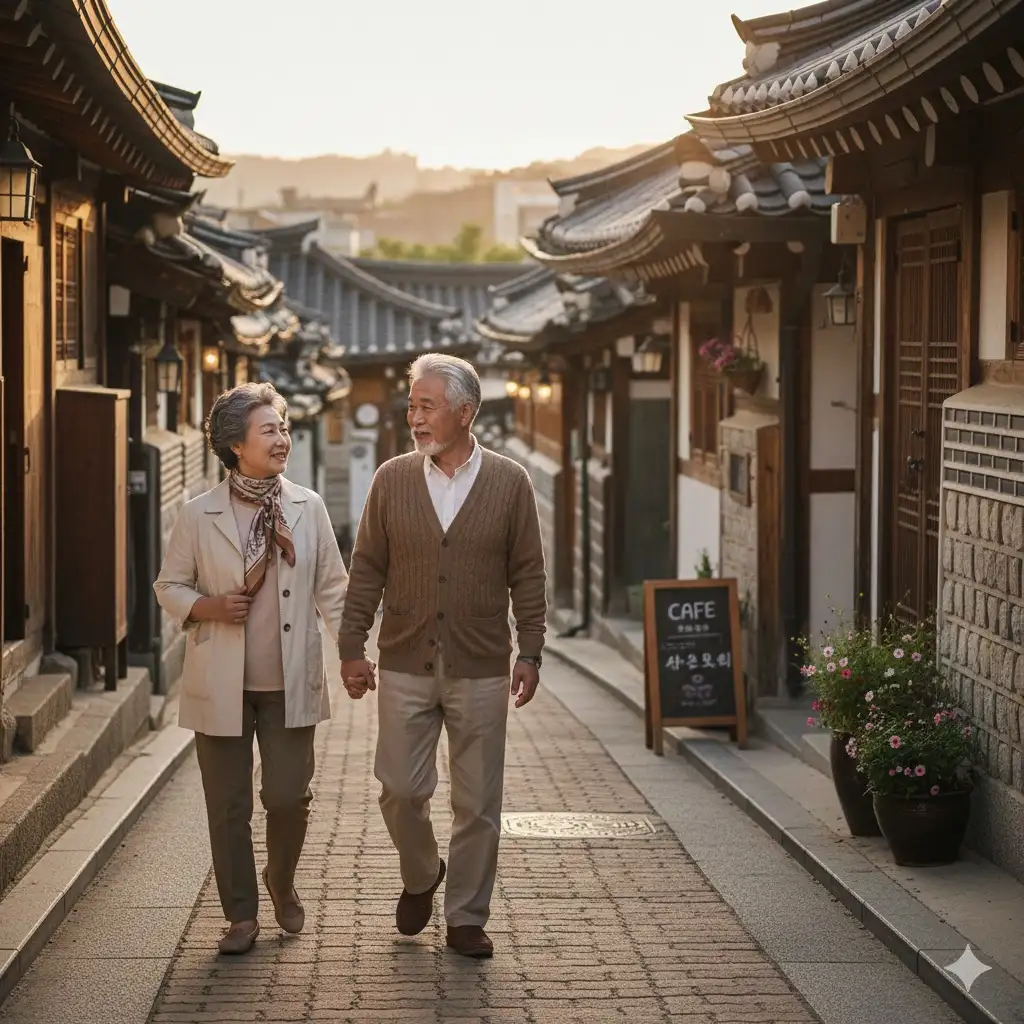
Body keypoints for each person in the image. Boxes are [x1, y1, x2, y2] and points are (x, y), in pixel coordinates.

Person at [339, 353, 547, 959]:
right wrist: (353, 646)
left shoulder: (510, 482)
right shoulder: (392, 479)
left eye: (427, 405)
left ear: (465, 412)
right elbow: (367, 568)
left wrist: (530, 648)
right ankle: (422, 872)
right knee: (399, 790)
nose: (415, 417)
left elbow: (528, 574)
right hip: (403, 659)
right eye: (412, 405)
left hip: (481, 663)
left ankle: (465, 917)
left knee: (478, 801)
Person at [154, 382, 348, 955]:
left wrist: (356, 651)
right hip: (221, 682)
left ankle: (280, 880)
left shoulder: (307, 508)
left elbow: (334, 588)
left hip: (289, 681)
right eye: (270, 430)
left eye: (284, 428)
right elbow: (169, 585)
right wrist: (207, 607)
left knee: (288, 797)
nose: (282, 438)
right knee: (228, 806)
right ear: (236, 444)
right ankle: (241, 915)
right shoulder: (198, 514)